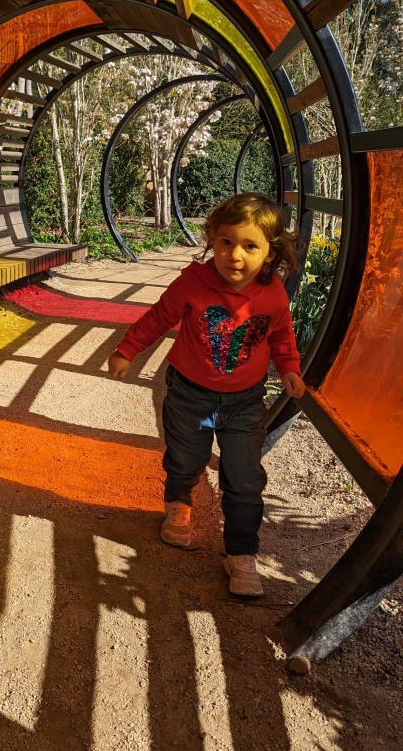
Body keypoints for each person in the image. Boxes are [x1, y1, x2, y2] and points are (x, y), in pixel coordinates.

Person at [107, 193, 305, 597]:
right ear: (212, 240)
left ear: (269, 253)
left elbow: (282, 334)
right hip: (190, 393)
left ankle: (241, 551)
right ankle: (178, 504)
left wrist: (289, 368)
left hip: (245, 400)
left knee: (245, 477)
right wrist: (127, 349)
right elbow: (159, 316)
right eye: (226, 242)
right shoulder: (193, 283)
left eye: (250, 246)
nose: (235, 255)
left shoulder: (273, 293)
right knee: (185, 459)